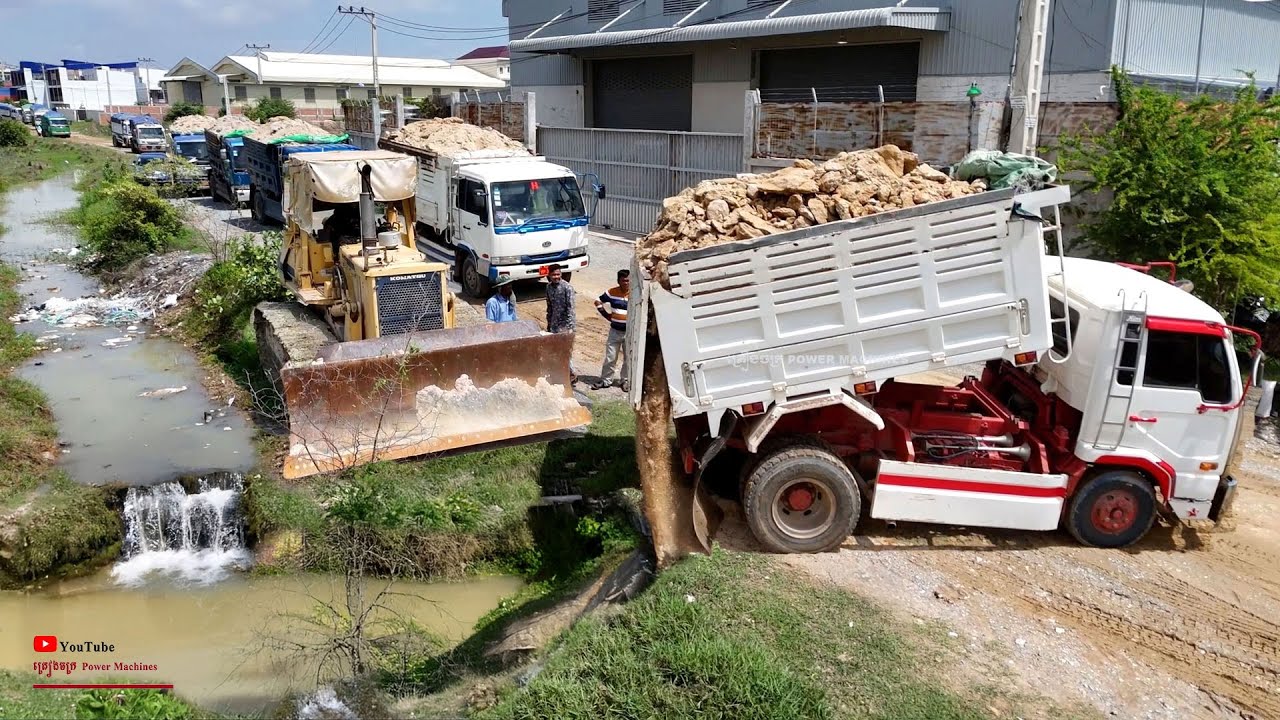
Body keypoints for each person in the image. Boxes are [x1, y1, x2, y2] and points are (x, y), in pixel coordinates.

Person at [593, 269, 630, 391]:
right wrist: (606, 315)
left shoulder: (636, 293)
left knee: (629, 359)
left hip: (630, 333)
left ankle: (625, 381)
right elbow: (597, 301)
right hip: (614, 332)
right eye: (624, 280)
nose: (626, 283)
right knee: (610, 357)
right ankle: (606, 380)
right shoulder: (612, 292)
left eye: (628, 280)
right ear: (618, 281)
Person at [545, 264, 578, 383]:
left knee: (565, 352)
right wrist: (549, 324)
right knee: (555, 351)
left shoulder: (567, 288)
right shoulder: (548, 287)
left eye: (558, 274)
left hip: (565, 326)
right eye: (553, 275)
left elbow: (571, 309)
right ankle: (561, 374)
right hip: (554, 326)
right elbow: (549, 306)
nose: (556, 277)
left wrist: (569, 328)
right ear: (549, 275)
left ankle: (572, 374)